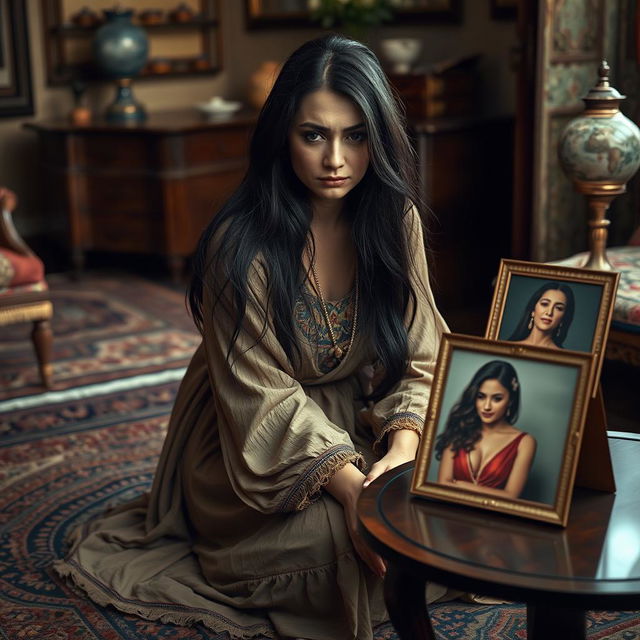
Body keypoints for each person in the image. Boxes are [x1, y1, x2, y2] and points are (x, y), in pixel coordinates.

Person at [54, 35, 447, 640]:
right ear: (281, 136)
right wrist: (353, 490)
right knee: (344, 545)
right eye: (313, 135)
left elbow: (423, 352)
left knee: (462, 503)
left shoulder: (396, 223)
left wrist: (400, 451)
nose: (336, 158)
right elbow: (264, 399)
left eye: (356, 135)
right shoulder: (240, 247)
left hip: (363, 417)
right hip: (249, 437)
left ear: (381, 137)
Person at [435, 360, 536, 499]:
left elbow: (511, 497)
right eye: (481, 397)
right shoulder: (459, 429)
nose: (486, 406)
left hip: (493, 519)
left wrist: (462, 486)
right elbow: (442, 485)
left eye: (497, 399)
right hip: (447, 511)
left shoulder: (525, 442)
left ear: (510, 400)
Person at [507, 281, 575, 349]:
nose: (549, 312)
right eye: (544, 304)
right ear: (533, 310)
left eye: (558, 308)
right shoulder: (506, 347)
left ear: (563, 318)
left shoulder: (565, 357)